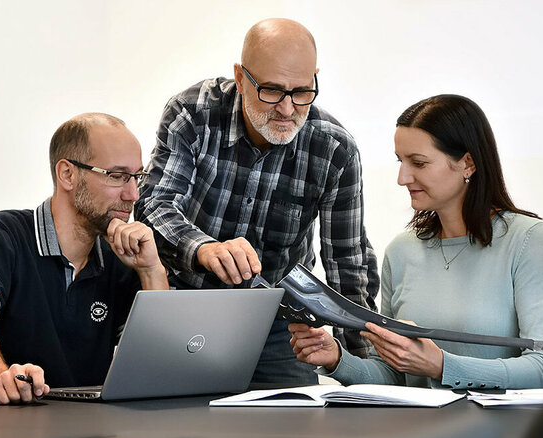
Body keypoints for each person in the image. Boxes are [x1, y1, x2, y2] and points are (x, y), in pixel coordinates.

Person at [135, 19, 378, 384]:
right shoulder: (193, 113)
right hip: (186, 304)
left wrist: (365, 373)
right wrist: (204, 249)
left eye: (302, 91)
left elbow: (347, 262)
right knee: (172, 414)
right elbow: (153, 205)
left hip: (279, 323)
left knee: (294, 418)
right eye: (271, 90)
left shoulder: (334, 149)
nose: (287, 108)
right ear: (240, 77)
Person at [289, 95, 543, 390]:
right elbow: (393, 376)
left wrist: (441, 366)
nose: (402, 178)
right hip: (418, 419)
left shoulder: (528, 240)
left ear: (468, 164)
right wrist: (336, 359)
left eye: (418, 163)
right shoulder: (401, 251)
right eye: (401, 161)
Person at [0, 113, 169, 405]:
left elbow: (159, 368)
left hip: (78, 427)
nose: (133, 194)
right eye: (117, 176)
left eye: (138, 177)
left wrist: (151, 270)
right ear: (67, 174)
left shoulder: (120, 260)